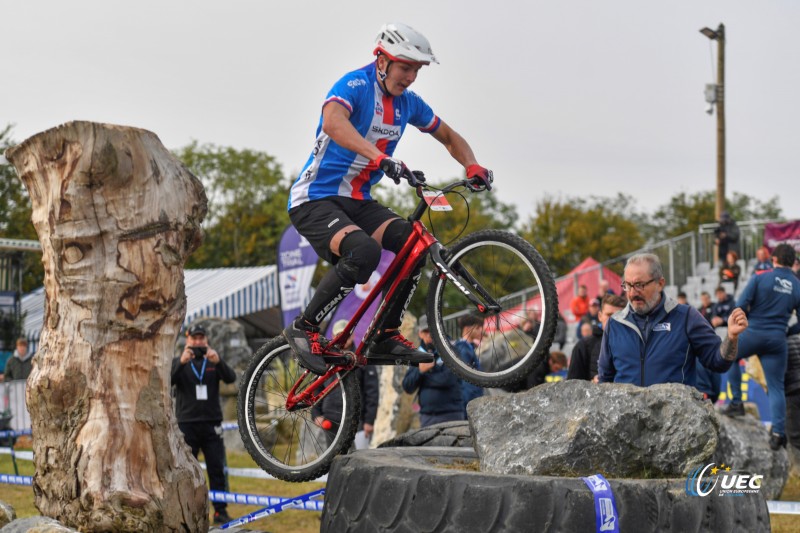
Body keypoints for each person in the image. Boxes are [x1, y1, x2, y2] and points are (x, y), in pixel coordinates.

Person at [282, 23, 493, 376]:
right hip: (315, 198)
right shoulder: (356, 84)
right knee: (364, 252)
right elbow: (333, 122)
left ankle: (384, 333)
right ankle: (304, 327)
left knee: (414, 246)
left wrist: (471, 163)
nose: (411, 77)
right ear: (382, 60)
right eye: (405, 67)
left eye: (416, 70)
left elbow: (448, 135)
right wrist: (378, 157)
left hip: (359, 200)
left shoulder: (408, 104)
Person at [598, 253, 747, 391]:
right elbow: (605, 381)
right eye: (627, 285)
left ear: (660, 283)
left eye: (639, 285)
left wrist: (731, 338)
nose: (632, 293)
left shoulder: (686, 317)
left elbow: (718, 362)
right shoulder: (614, 324)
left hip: (674, 418)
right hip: (627, 418)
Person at [721, 244, 800, 450]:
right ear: (793, 263)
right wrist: (785, 331)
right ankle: (777, 433)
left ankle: (736, 402)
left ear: (773, 259)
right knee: (776, 386)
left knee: (726, 356)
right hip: (777, 340)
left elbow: (740, 303)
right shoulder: (797, 285)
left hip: (753, 333)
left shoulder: (760, 277)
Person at [171, 324, 237, 524]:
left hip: (211, 424)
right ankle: (186, 508)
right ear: (188, 340)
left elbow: (231, 378)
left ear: (206, 340)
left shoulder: (212, 361)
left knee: (216, 468)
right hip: (187, 424)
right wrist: (181, 363)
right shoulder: (179, 362)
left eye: (201, 338)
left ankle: (220, 510)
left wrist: (219, 362)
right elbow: (168, 381)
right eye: (194, 338)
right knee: (185, 470)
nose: (198, 342)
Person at [313, 320, 379, 448]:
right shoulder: (325, 359)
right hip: (330, 419)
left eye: (347, 335)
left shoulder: (362, 359)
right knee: (332, 462)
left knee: (360, 461)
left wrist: (369, 421)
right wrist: (316, 413)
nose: (344, 339)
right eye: (339, 336)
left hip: (357, 420)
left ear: (353, 336)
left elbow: (372, 391)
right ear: (333, 336)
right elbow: (317, 387)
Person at [402, 316, 465, 427]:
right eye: (425, 331)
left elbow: (448, 380)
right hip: (427, 417)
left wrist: (425, 375)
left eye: (433, 330)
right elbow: (407, 386)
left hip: (451, 415)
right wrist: (420, 371)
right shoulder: (416, 355)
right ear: (420, 333)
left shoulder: (452, 350)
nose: (429, 334)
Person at [567, 294, 627, 382]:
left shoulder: (636, 344)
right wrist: (592, 385)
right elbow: (572, 387)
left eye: (618, 315)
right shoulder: (583, 346)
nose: (613, 320)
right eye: (609, 315)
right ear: (600, 316)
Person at [454, 315, 485, 416]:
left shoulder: (469, 347)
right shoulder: (462, 348)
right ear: (467, 329)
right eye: (477, 328)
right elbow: (465, 379)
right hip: (470, 400)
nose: (481, 331)